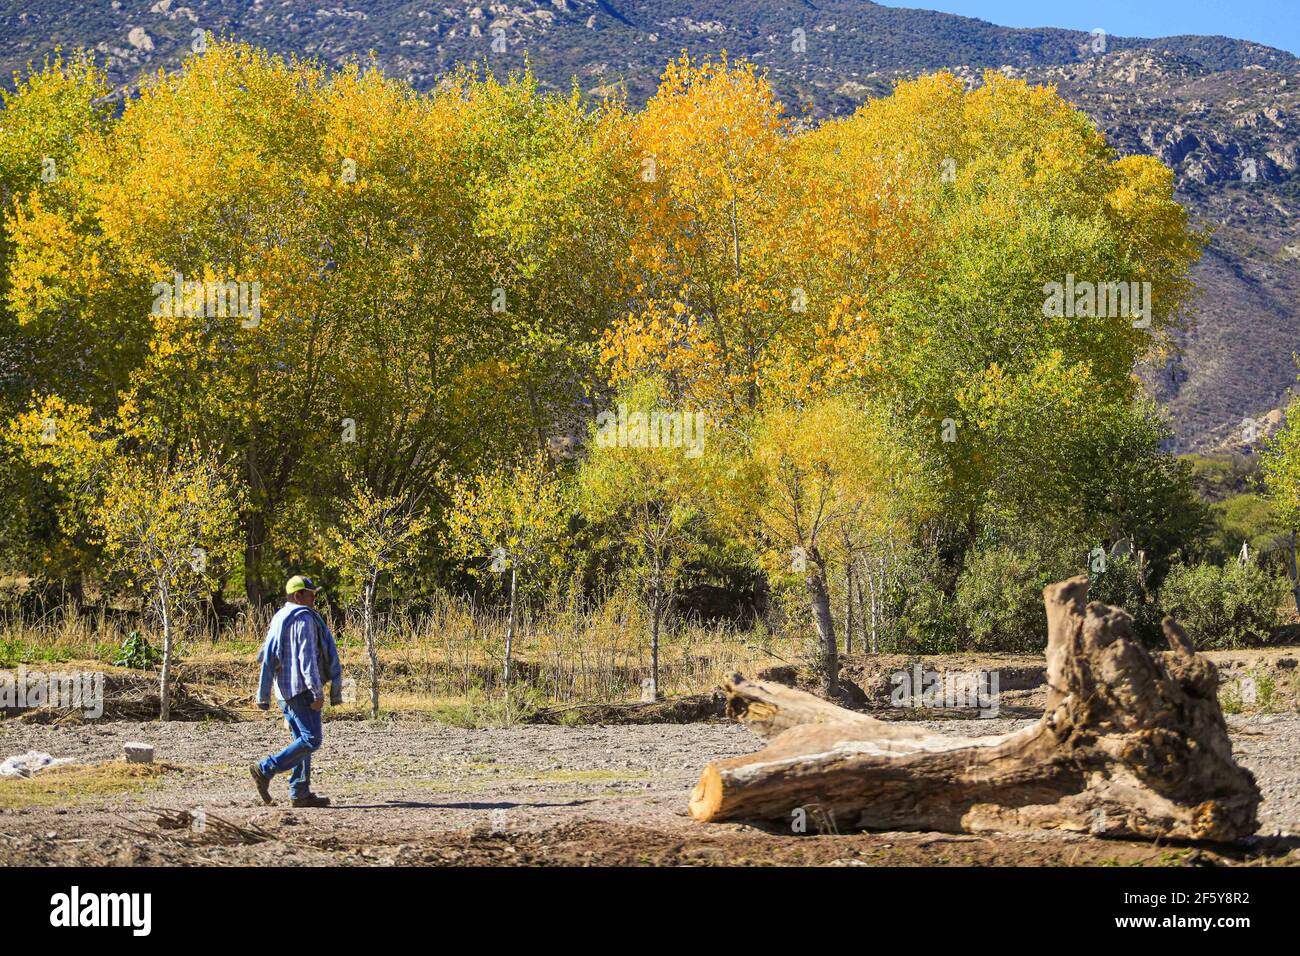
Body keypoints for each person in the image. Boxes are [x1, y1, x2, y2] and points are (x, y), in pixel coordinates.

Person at [249, 575, 344, 808]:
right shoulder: (304, 620)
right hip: (301, 690)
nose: (314, 598)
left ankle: (300, 792)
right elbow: (307, 659)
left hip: (283, 691)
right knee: (312, 740)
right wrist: (317, 692)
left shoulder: (280, 616)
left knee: (300, 740)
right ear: (297, 595)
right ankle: (266, 768)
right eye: (310, 593)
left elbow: (268, 654)